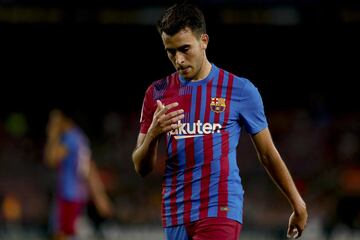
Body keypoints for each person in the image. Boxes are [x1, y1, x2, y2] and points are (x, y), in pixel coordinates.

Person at [132, 3, 308, 240]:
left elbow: (267, 153)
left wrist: (297, 203)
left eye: (185, 49)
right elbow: (141, 167)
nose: (179, 59)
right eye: (171, 51)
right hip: (175, 212)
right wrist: (154, 133)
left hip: (220, 208)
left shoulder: (240, 90)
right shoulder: (157, 93)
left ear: (203, 41)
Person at [44, 109, 113, 240]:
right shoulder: (80, 138)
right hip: (78, 194)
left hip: (67, 194)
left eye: (54, 119)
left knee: (62, 234)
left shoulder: (69, 139)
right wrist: (100, 196)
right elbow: (89, 167)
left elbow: (51, 159)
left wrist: (52, 134)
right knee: (69, 233)